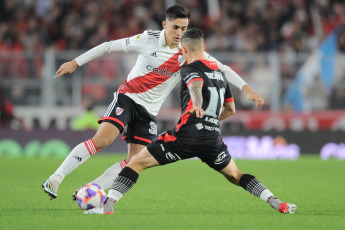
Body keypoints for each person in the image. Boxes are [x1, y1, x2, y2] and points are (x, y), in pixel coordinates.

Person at [42, 5, 264, 200]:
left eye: (184, 28)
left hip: (149, 112)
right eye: (175, 27)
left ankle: (89, 190)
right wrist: (75, 62)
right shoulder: (147, 39)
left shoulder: (188, 51)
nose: (179, 33)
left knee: (134, 161)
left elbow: (222, 69)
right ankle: (56, 178)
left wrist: (247, 89)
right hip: (128, 98)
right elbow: (109, 46)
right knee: (102, 140)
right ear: (164, 24)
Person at [83, 28, 296, 215]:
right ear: (204, 46)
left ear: (184, 51)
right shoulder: (220, 75)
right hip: (213, 139)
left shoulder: (188, 68)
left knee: (136, 161)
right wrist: (212, 119)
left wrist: (196, 105)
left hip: (186, 135)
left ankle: (108, 206)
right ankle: (274, 200)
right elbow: (230, 109)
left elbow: (195, 85)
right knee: (235, 175)